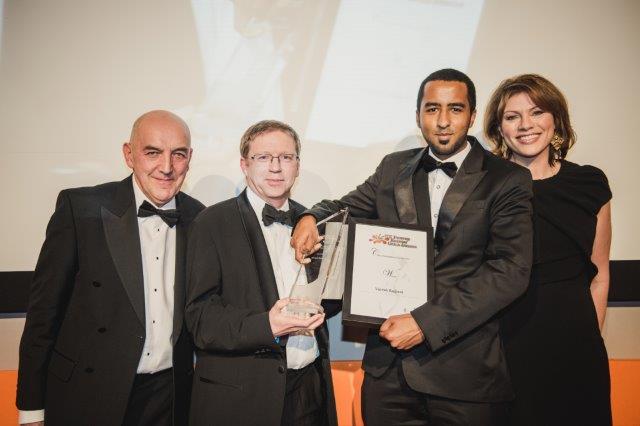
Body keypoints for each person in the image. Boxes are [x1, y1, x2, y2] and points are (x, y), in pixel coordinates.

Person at [292, 68, 534, 426]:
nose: (443, 121)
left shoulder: (507, 179)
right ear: (418, 114)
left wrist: (425, 323)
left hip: (464, 374)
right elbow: (345, 208)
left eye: (455, 109)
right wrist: (311, 217)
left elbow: (509, 272)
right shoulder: (393, 169)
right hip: (388, 374)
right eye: (432, 109)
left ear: (471, 114)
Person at [16, 110, 205, 426]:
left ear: (190, 158)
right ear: (129, 155)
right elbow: (43, 316)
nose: (167, 167)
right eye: (153, 152)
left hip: (170, 398)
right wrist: (31, 410)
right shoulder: (81, 209)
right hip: (88, 394)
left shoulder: (201, 218)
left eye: (179, 154)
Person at [185, 120, 338, 426]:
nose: (276, 168)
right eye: (264, 158)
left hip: (309, 391)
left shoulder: (316, 224)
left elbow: (327, 298)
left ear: (297, 165)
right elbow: (200, 319)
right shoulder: (211, 223)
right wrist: (267, 324)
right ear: (244, 164)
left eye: (286, 157)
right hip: (242, 398)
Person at [485, 74, 612, 425]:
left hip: (575, 349)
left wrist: (589, 337)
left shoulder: (589, 183)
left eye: (537, 112)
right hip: (504, 349)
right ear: (499, 128)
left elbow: (599, 274)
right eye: (512, 117)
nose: (526, 125)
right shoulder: (483, 188)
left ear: (555, 119)